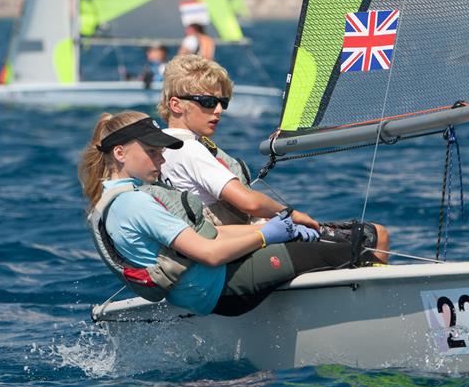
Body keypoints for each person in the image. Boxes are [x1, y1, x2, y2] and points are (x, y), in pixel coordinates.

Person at [79, 111, 369, 317]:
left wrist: (283, 228)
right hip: (220, 289)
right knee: (356, 241)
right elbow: (211, 253)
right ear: (119, 153)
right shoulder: (136, 204)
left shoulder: (111, 203)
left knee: (314, 243)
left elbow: (210, 235)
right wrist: (264, 235)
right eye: (153, 152)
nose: (162, 158)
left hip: (200, 292)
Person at [157, 55, 390, 263]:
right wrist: (294, 215)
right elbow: (250, 203)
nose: (219, 110)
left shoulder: (158, 150)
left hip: (214, 247)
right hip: (237, 249)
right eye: (208, 102)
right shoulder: (189, 149)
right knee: (375, 235)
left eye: (223, 102)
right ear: (176, 105)